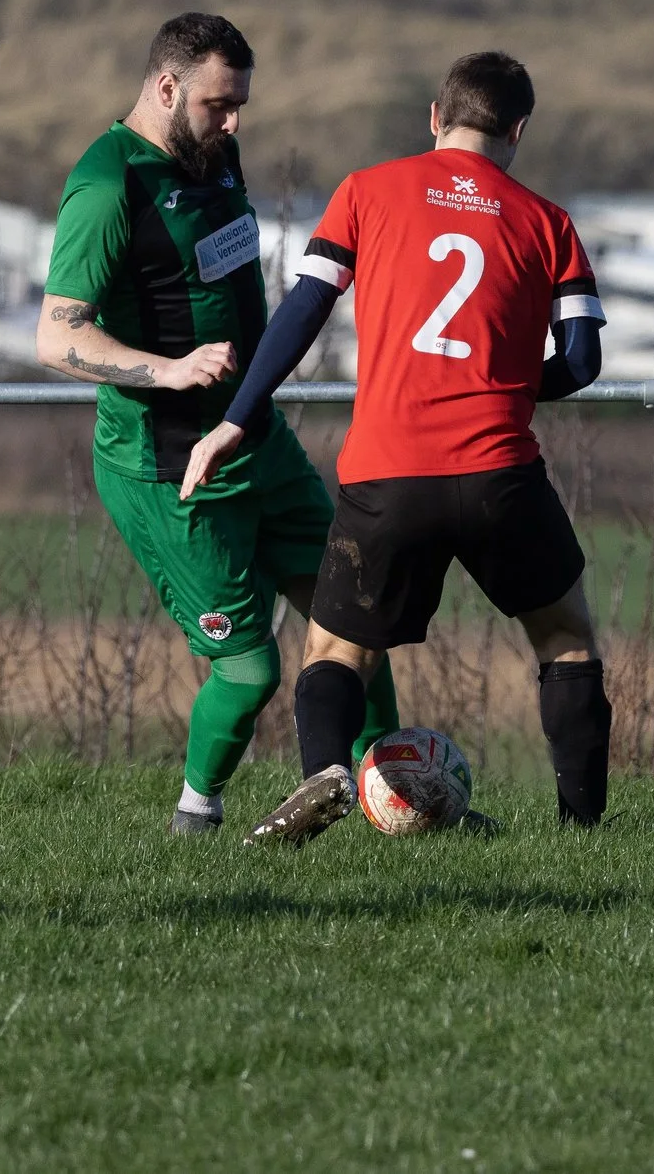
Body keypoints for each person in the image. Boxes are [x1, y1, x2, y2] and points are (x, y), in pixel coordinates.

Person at [180, 50, 610, 845]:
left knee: (338, 649)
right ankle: (582, 830)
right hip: (500, 475)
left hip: (388, 474)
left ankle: (327, 776)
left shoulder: (367, 191)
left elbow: (303, 311)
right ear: (517, 130)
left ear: (436, 119)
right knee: (566, 638)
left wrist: (237, 416)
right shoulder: (549, 222)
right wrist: (503, 385)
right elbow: (582, 360)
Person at [37, 11, 397, 836]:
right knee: (249, 668)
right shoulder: (107, 184)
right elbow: (56, 335)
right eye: (215, 104)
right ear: (166, 88)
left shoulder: (215, 156)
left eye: (239, 106)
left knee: (353, 619)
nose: (232, 122)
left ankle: (398, 799)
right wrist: (165, 369)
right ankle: (194, 819)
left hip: (252, 439)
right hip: (170, 468)